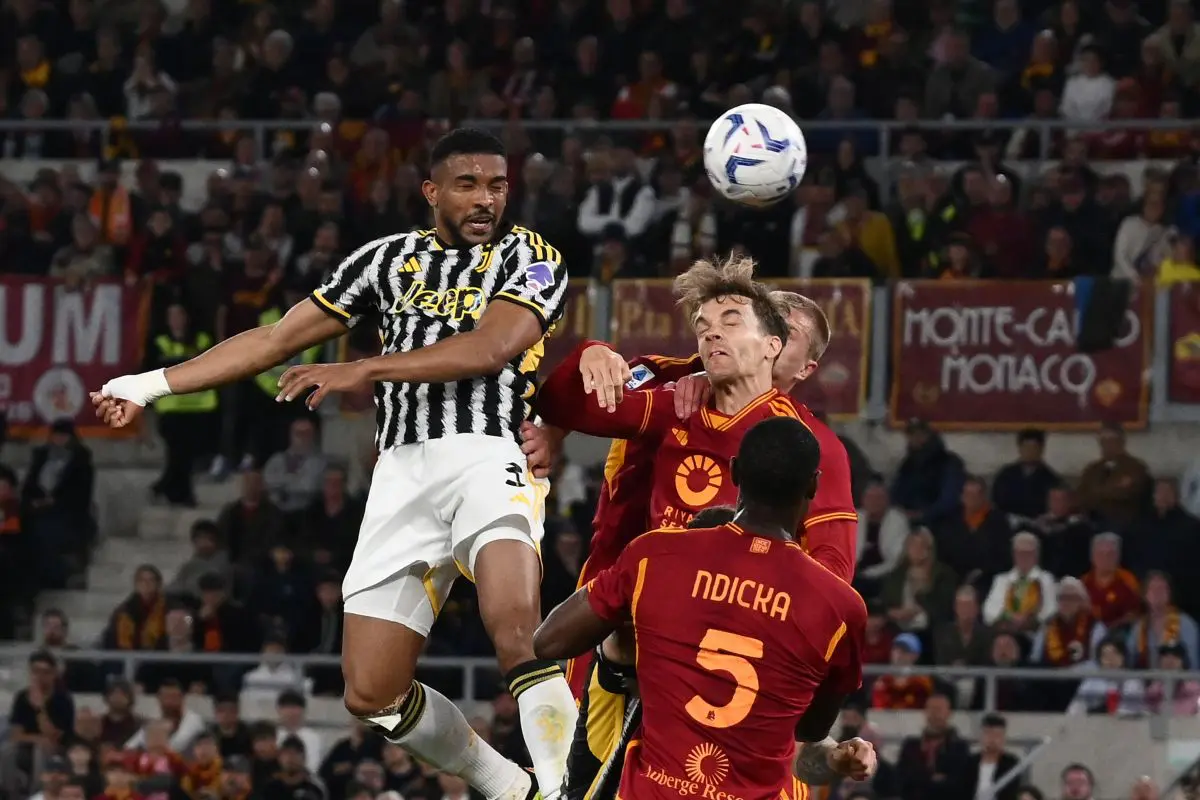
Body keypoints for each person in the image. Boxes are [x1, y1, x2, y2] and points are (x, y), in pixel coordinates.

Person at [91, 128, 572, 800]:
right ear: (431, 191)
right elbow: (276, 339)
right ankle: (510, 786)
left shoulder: (533, 257)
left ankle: (568, 786)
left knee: (515, 626)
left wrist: (364, 367)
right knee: (371, 693)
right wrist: (146, 385)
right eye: (467, 184)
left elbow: (490, 348)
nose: (486, 199)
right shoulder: (383, 261)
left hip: (489, 454)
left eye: (497, 185)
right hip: (400, 473)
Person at [535, 258, 859, 798]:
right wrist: (591, 352)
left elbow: (832, 575)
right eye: (704, 326)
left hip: (736, 661)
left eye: (731, 321)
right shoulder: (673, 396)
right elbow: (565, 402)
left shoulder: (809, 445)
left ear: (777, 348)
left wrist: (744, 592)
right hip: (634, 641)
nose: (712, 333)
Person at [533, 417, 873, 799]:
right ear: (813, 485)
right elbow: (809, 730)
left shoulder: (655, 556)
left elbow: (548, 642)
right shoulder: (841, 607)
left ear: (734, 471)